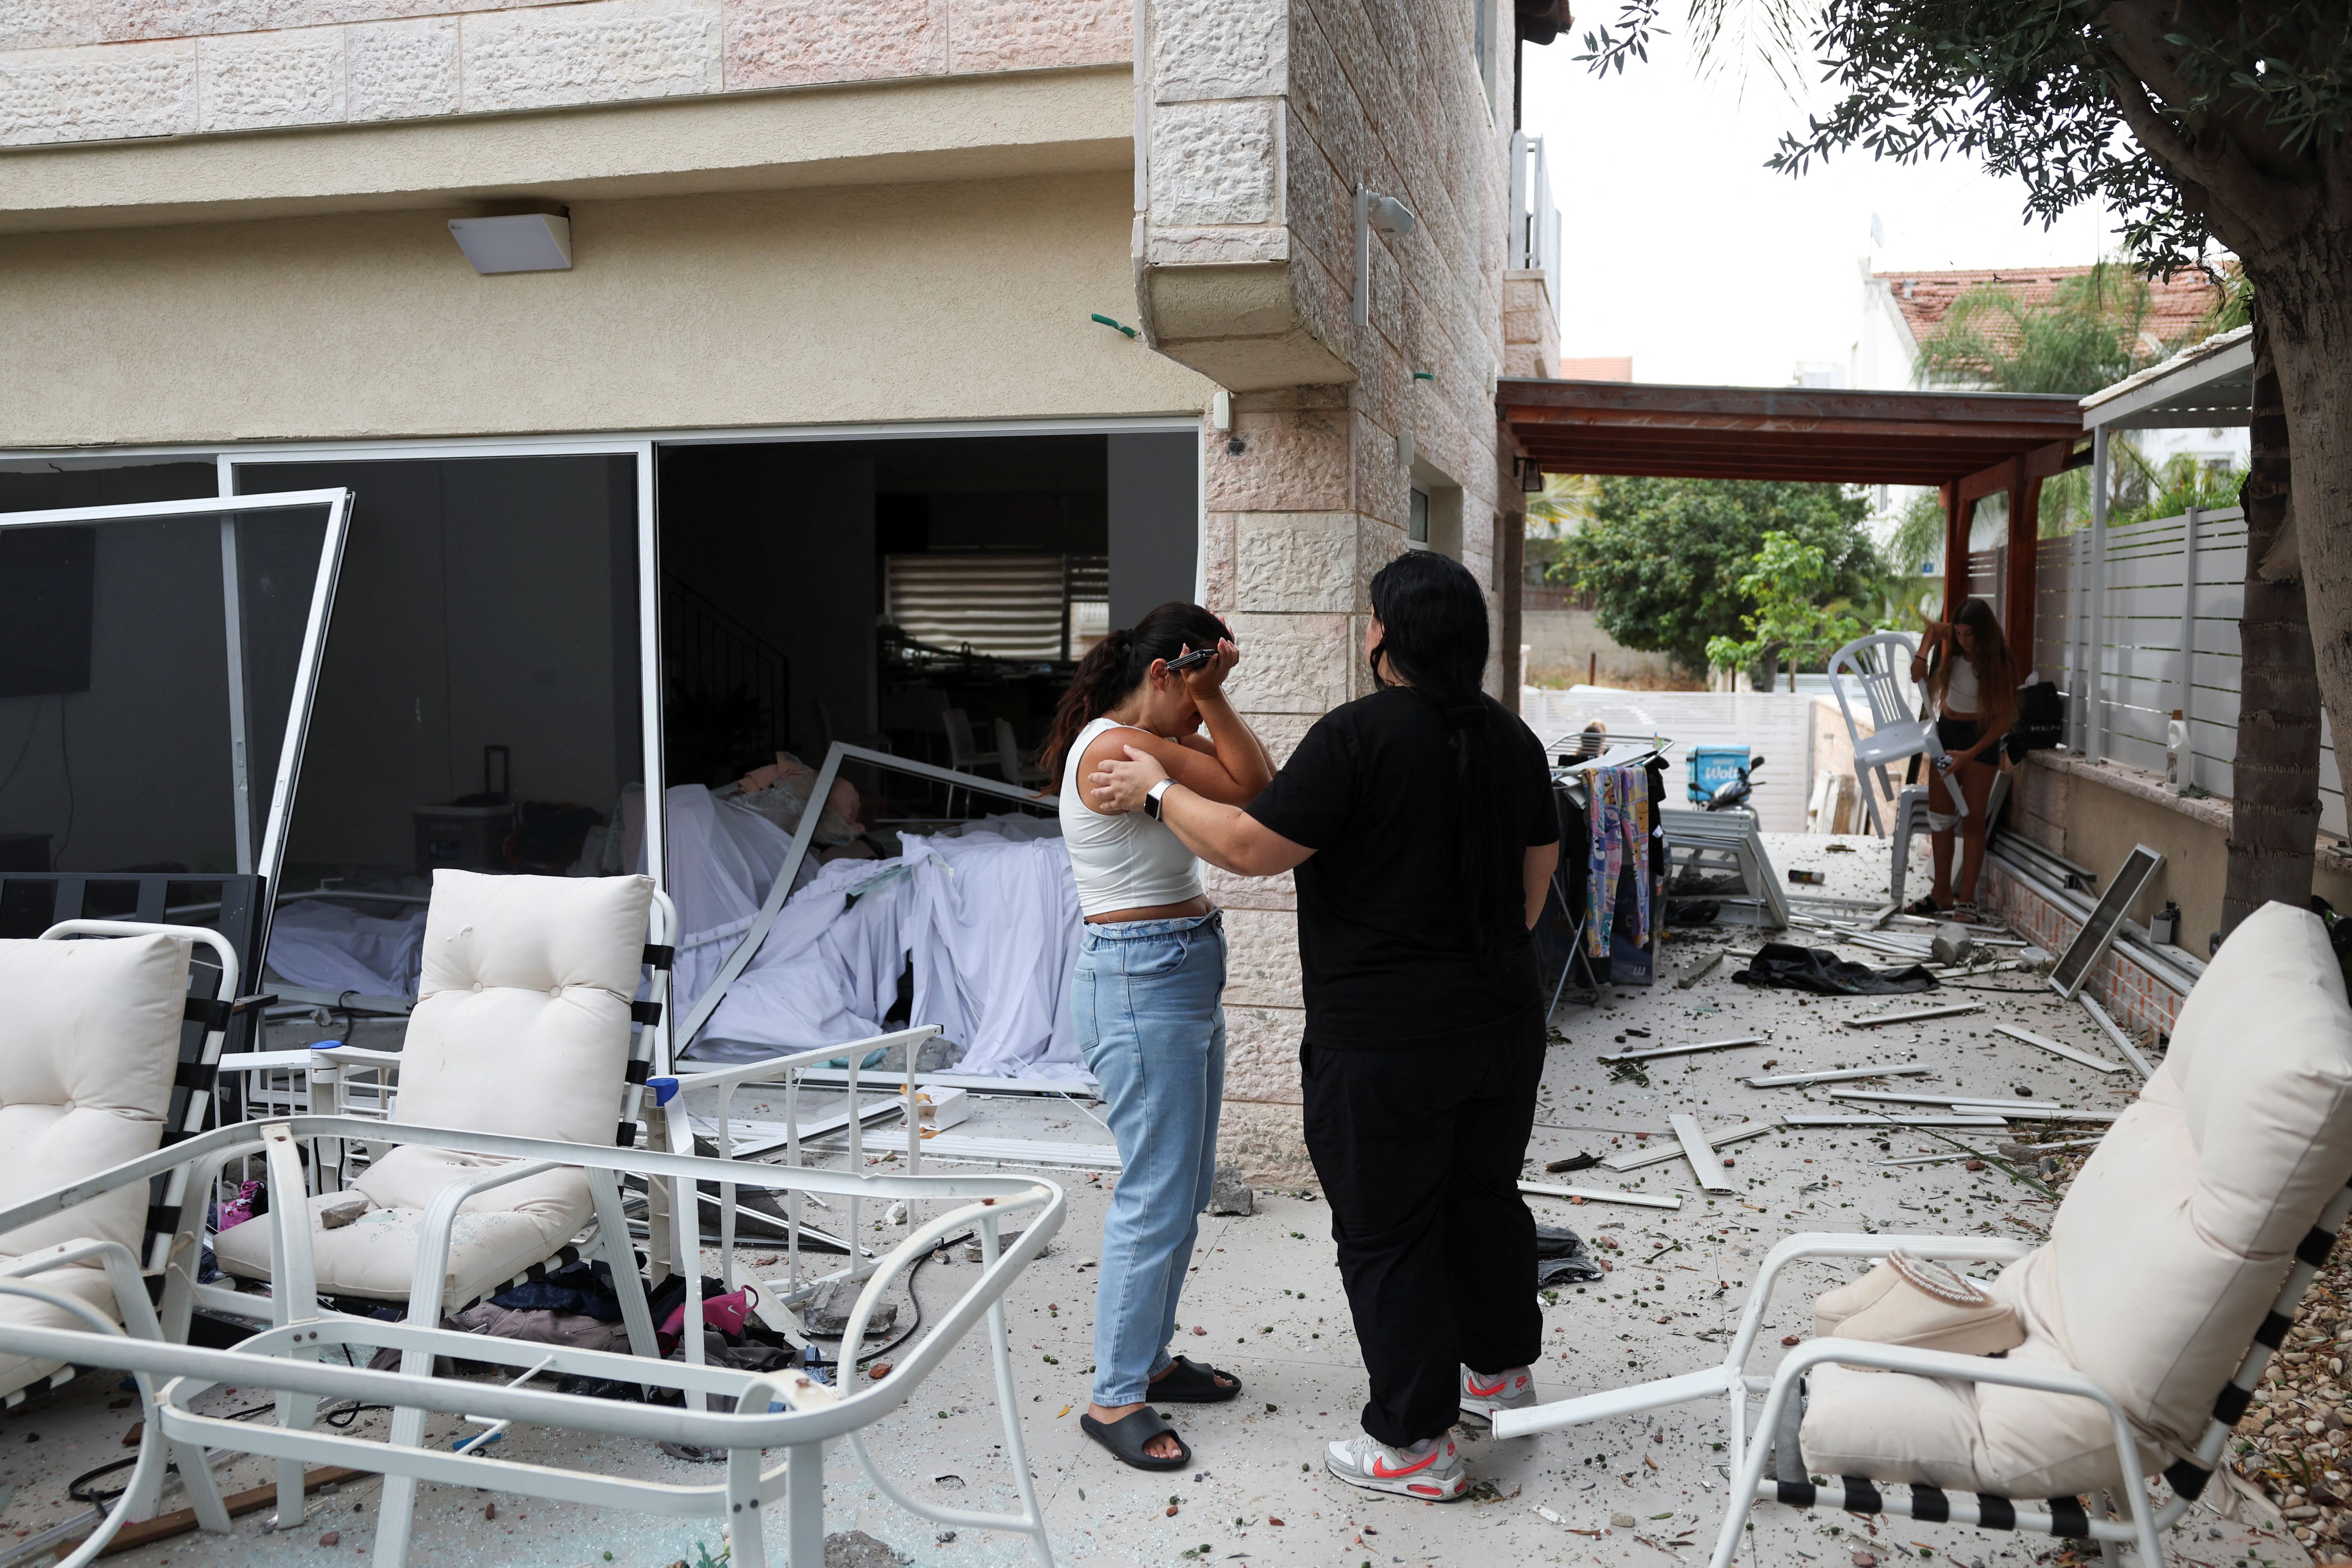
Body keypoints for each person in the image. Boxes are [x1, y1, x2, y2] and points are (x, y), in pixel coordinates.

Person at [1087, 553, 1560, 1502]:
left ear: (1385, 635)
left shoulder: (1357, 737)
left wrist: (1154, 789)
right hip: (1500, 1028)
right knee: (1481, 1199)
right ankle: (1499, 1374)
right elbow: (1532, 891)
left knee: (1388, 1234)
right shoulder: (1515, 742)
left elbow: (1249, 846)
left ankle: (1412, 1445)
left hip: (1383, 1038)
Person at [1045, 601, 1276, 1472]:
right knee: (1153, 1193)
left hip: (1174, 971)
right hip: (1141, 980)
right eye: (1196, 692)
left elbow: (1253, 773)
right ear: (1161, 675)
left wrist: (1212, 696)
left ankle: (1147, 1361)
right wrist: (1206, 703)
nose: (1204, 712)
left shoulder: (1148, 746)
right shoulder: (1116, 751)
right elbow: (1255, 795)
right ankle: (1113, 1398)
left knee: (1178, 1188)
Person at [1906, 597, 2019, 923]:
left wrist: (1968, 756)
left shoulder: (2000, 661)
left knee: (1972, 817)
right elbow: (1931, 630)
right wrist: (1921, 657)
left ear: (1985, 633)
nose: (1964, 641)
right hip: (1948, 734)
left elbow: (2004, 720)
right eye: (1959, 634)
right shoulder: (1953, 641)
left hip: (1980, 741)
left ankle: (1967, 900)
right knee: (1940, 816)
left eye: (1971, 634)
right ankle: (1941, 893)